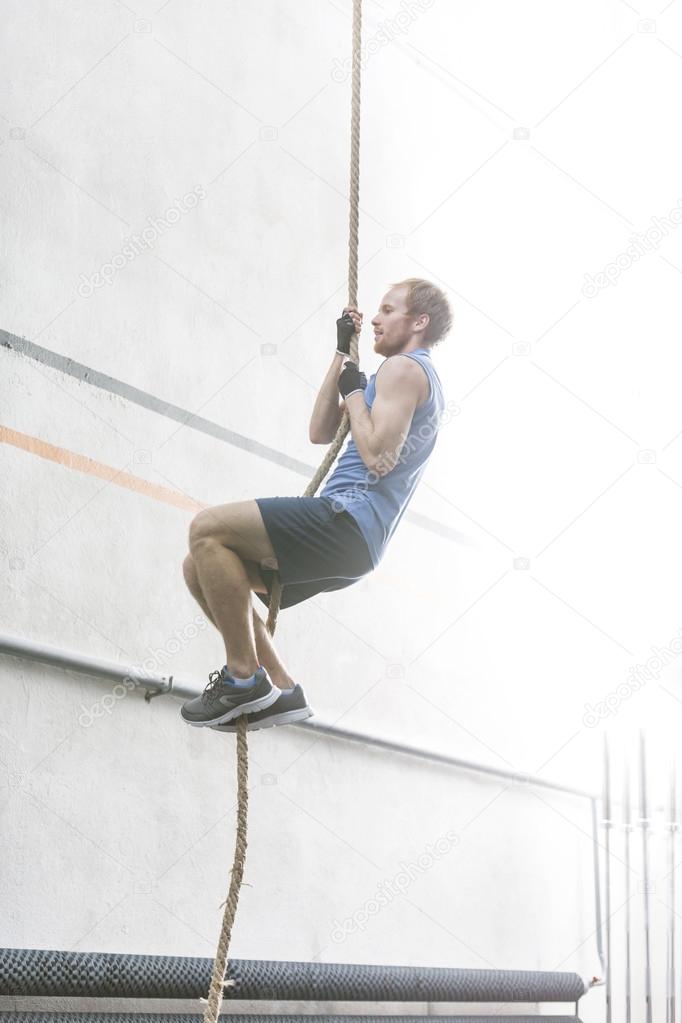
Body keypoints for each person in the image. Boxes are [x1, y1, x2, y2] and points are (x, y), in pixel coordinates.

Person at [180, 277, 452, 732]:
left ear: (418, 321)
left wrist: (353, 393)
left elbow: (380, 458)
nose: (377, 319)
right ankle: (283, 690)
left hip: (349, 520)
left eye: (388, 310)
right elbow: (320, 431)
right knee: (200, 566)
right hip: (351, 543)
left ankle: (244, 677)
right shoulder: (395, 376)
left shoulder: (406, 369)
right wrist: (342, 355)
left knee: (206, 527)